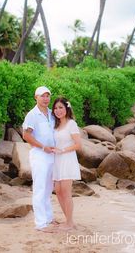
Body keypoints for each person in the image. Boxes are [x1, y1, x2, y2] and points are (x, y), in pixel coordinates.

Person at [22, 86, 56, 231]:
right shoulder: (32, 114)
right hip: (40, 155)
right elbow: (26, 135)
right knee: (40, 188)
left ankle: (48, 218)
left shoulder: (51, 113)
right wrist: (43, 147)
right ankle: (40, 223)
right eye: (42, 96)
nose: (45, 99)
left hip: (52, 155)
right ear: (36, 97)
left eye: (48, 96)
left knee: (49, 189)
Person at [52, 97, 81, 231]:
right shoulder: (55, 125)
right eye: (56, 108)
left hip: (67, 159)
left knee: (66, 191)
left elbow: (78, 145)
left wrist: (62, 150)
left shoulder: (71, 124)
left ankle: (69, 222)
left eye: (61, 107)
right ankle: (69, 220)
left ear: (66, 108)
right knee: (58, 191)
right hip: (57, 160)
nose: (58, 111)